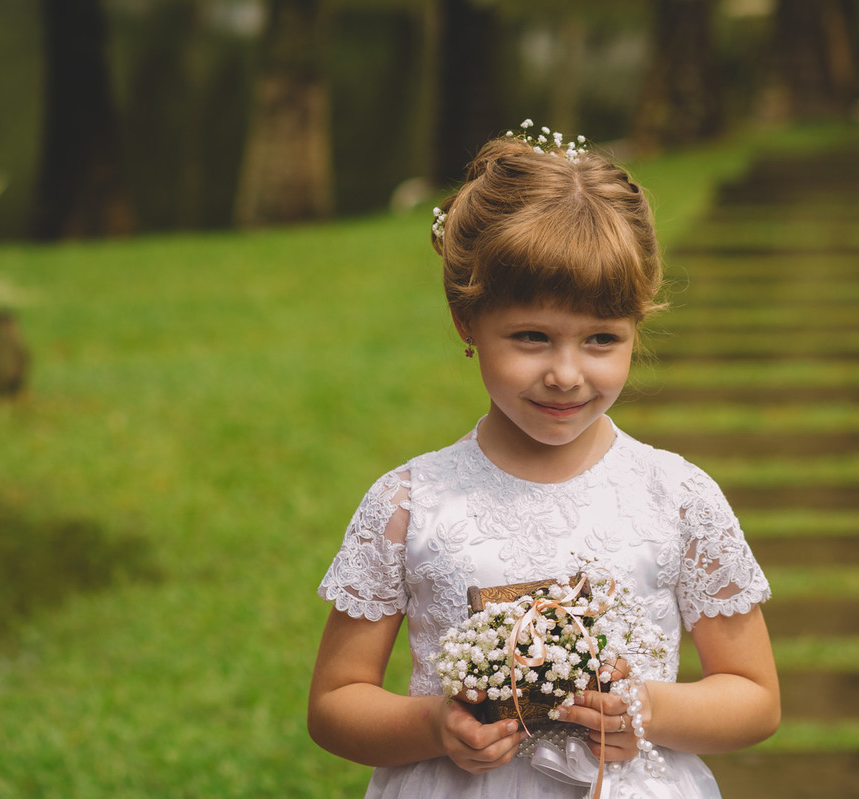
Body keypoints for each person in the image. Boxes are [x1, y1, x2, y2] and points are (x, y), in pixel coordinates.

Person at [308, 122, 780, 798]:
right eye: (531, 337)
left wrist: (646, 708)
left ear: (636, 327)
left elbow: (755, 696)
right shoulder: (409, 504)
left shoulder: (676, 496)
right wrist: (436, 725)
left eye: (601, 339)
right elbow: (334, 702)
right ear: (467, 321)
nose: (565, 373)